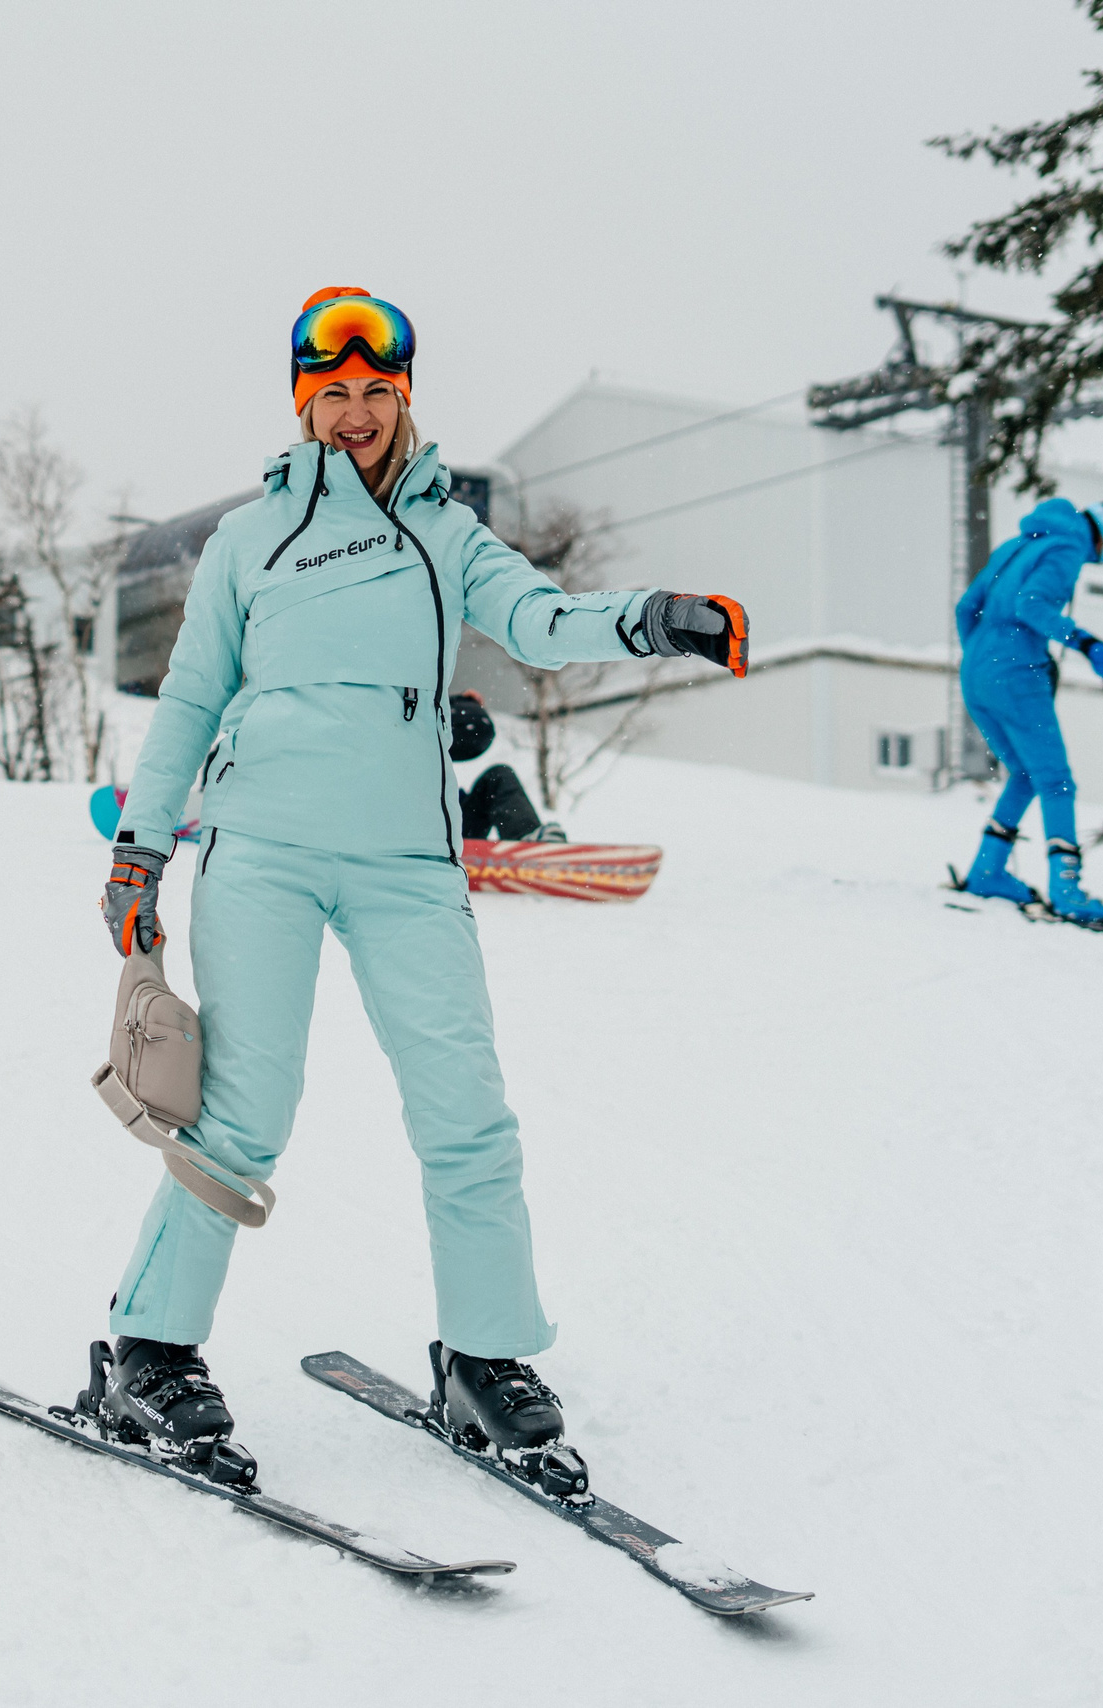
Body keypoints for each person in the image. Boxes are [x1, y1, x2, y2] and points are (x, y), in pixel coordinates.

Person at [91, 287, 749, 1488]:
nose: (352, 414)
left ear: (403, 401)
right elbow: (188, 697)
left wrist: (653, 620)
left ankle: (483, 1359)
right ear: (305, 405)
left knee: (466, 1115)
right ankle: (147, 1351)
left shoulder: (448, 533)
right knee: (241, 1113)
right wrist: (139, 850)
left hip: (406, 860)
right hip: (263, 846)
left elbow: (542, 620)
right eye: (330, 395)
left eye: (373, 394)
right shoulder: (251, 537)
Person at [951, 495, 1103, 924]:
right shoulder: (1068, 547)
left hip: (976, 671)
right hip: (1017, 671)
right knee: (1057, 781)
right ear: (1102, 539)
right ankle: (1066, 891)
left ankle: (987, 872)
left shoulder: (1017, 545)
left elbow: (966, 608)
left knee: (1028, 774)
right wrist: (1086, 642)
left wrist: (985, 656)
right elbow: (1031, 606)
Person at [449, 690, 563, 842]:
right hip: (421, 829)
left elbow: (476, 727)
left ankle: (526, 841)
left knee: (499, 777)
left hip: (454, 824)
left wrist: (461, 702)